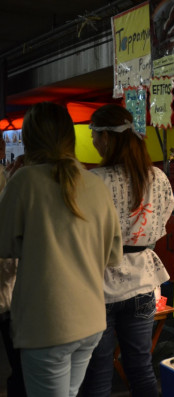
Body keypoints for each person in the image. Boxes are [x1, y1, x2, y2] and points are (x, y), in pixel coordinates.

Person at [0, 102, 123, 396]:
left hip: (48, 324)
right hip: (91, 321)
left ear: (29, 139)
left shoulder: (24, 182)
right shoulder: (96, 184)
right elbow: (113, 256)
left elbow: (3, 245)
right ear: (69, 136)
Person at [79, 104, 174, 397]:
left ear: (106, 137)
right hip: (144, 284)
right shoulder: (158, 177)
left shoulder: (94, 181)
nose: (93, 141)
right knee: (141, 369)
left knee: (98, 373)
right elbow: (164, 219)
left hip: (100, 287)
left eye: (93, 134)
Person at [0, 138, 27, 397]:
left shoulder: (11, 179)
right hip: (7, 285)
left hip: (8, 285)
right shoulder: (14, 182)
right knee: (16, 358)